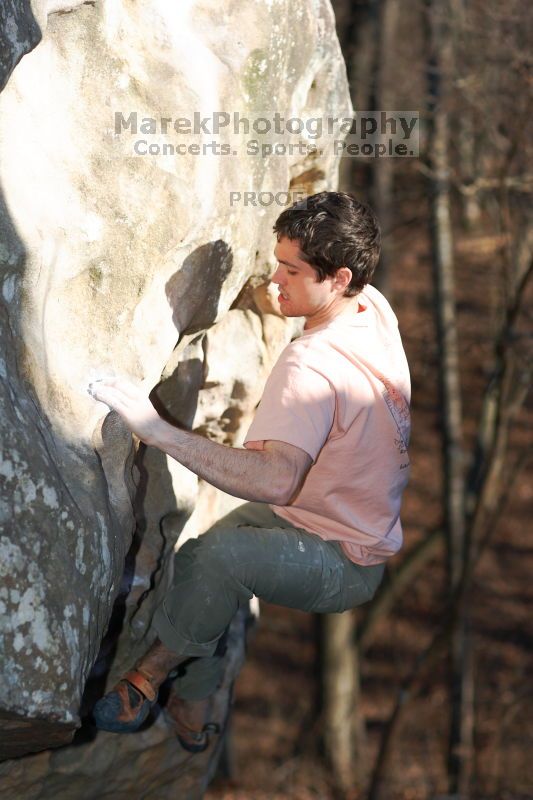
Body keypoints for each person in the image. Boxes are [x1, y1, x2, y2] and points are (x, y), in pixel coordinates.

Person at [89, 191, 411, 752]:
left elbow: (275, 480)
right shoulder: (371, 307)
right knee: (201, 560)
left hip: (345, 559)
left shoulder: (312, 367)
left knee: (220, 559)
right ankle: (195, 695)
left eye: (291, 270)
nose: (276, 279)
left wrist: (157, 430)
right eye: (277, 261)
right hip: (325, 514)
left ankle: (149, 678)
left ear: (339, 278)